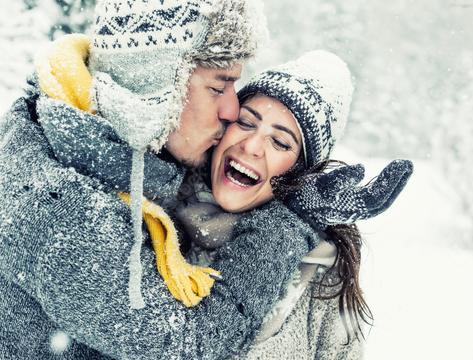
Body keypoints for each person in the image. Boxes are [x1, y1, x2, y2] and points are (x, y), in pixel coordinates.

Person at [17, 42, 413, 358]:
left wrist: (293, 226)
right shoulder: (153, 217)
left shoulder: (321, 275)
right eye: (245, 122)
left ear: (301, 170)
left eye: (280, 141)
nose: (252, 145)